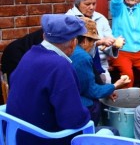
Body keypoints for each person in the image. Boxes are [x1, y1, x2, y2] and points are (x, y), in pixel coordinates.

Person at [6, 14, 91, 145]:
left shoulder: (29, 54)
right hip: (44, 139)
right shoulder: (60, 66)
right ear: (74, 42)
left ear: (44, 36)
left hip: (18, 136)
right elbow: (73, 120)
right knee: (109, 131)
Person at [70, 17, 130, 126]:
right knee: (95, 105)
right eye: (92, 42)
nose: (93, 45)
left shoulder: (70, 49)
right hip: (76, 104)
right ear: (84, 40)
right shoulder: (82, 56)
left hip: (69, 97)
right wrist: (115, 85)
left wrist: (107, 90)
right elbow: (93, 91)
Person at [66, 0, 123, 84]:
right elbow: (72, 46)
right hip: (79, 64)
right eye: (87, 4)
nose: (91, 7)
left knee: (106, 87)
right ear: (78, 3)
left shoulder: (101, 18)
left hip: (101, 64)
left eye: (94, 3)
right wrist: (99, 42)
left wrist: (114, 45)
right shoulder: (69, 18)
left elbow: (107, 44)